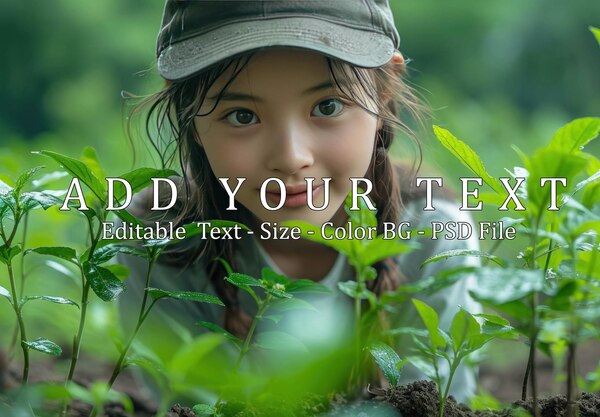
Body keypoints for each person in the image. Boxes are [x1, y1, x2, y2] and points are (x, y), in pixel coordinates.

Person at [119, 0, 481, 405]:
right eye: (241, 116)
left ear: (382, 94)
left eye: (327, 106)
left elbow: (434, 404)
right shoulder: (157, 243)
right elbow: (194, 404)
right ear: (191, 119)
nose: (291, 157)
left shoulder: (432, 237)